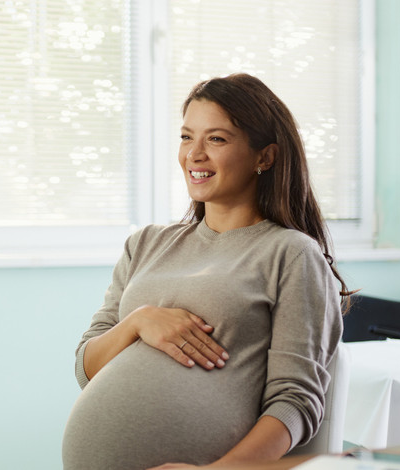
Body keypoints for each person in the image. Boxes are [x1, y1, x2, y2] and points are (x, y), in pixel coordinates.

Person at [61, 73, 352, 469]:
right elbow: (87, 368)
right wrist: (139, 321)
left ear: (265, 157)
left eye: (216, 139)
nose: (194, 154)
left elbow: (295, 402)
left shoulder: (291, 254)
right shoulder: (146, 244)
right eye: (186, 137)